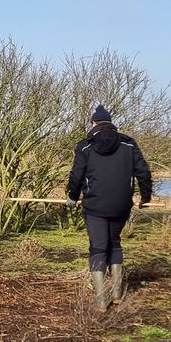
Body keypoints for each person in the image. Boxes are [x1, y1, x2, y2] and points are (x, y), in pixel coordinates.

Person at [65, 105, 153, 312]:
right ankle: (117, 294)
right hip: (121, 204)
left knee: (98, 246)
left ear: (93, 123)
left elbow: (77, 174)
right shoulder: (129, 144)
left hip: (94, 204)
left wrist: (72, 196)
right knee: (114, 242)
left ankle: (100, 300)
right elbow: (143, 172)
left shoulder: (85, 146)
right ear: (110, 123)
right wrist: (145, 197)